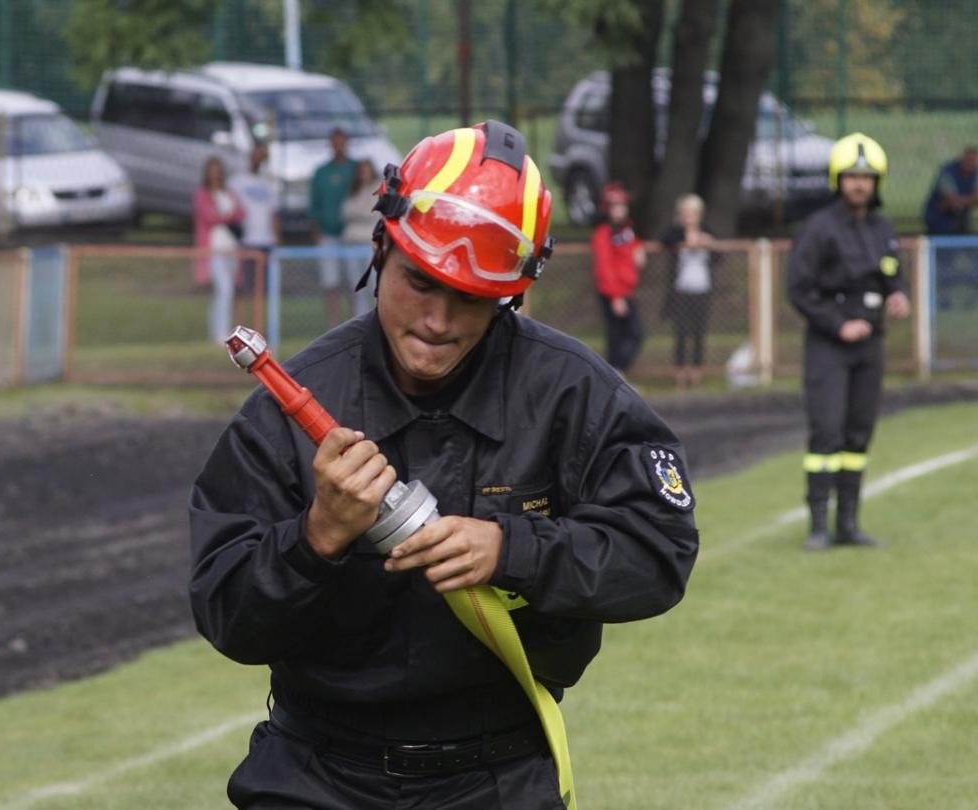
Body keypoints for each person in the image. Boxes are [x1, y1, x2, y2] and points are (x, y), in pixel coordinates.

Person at [191, 121, 698, 809]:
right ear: (380, 249)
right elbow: (227, 616)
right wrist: (316, 538)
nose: (438, 320)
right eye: (421, 283)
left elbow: (659, 554)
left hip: (499, 778)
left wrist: (514, 549)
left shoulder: (574, 394)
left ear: (511, 295)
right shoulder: (288, 409)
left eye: (471, 297)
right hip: (313, 777)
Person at [789, 133, 911, 551]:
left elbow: (893, 272)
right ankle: (818, 525)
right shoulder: (818, 228)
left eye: (867, 177)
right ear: (837, 179)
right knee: (827, 432)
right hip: (829, 345)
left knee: (859, 433)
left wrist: (898, 294)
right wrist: (838, 325)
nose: (859, 184)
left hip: (871, 345)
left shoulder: (882, 227)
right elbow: (799, 289)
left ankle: (849, 524)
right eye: (852, 176)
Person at [658, 194, 718, 390]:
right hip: (681, 290)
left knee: (699, 331)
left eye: (693, 213)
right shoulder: (675, 232)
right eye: (686, 213)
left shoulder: (706, 232)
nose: (689, 217)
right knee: (681, 331)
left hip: (702, 289)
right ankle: (680, 374)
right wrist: (685, 240)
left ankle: (697, 372)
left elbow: (719, 255)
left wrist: (708, 243)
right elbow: (664, 240)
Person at [591, 182, 645, 373]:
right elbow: (604, 267)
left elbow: (629, 245)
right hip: (613, 293)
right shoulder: (603, 234)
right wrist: (616, 297)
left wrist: (638, 247)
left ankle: (616, 373)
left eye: (623, 206)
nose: (621, 211)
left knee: (627, 334)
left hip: (626, 291)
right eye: (616, 206)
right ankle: (615, 372)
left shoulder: (626, 232)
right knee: (626, 334)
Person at [228, 142, 282, 332]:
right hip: (245, 242)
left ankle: (259, 327)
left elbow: (274, 214)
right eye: (256, 154)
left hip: (266, 243)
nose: (258, 158)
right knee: (241, 287)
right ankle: (237, 328)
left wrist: (277, 240)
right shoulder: (237, 181)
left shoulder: (270, 183)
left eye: (262, 155)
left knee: (262, 290)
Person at [310, 128, 360, 326]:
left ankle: (356, 322)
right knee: (331, 283)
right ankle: (333, 324)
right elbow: (314, 205)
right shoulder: (321, 173)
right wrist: (317, 232)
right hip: (328, 235)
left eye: (342, 141)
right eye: (335, 141)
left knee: (355, 283)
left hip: (352, 236)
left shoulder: (355, 169)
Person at [194, 157, 247, 342]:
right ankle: (219, 335)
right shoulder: (202, 193)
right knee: (223, 290)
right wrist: (227, 216)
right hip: (214, 250)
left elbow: (241, 212)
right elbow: (209, 216)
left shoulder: (228, 192)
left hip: (231, 248)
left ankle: (222, 331)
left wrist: (224, 215)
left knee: (226, 291)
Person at [337, 160, 380, 318]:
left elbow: (371, 211)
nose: (363, 174)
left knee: (374, 285)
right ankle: (359, 319)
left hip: (370, 245)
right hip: (351, 244)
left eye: (366, 170)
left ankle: (377, 318)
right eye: (361, 170)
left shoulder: (378, 188)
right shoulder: (352, 191)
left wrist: (358, 212)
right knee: (356, 286)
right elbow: (345, 212)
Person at [923, 146, 978, 236]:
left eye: (974, 161)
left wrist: (961, 200)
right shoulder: (948, 171)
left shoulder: (976, 172)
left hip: (961, 218)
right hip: (939, 217)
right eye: (969, 160)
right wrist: (972, 199)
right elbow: (951, 200)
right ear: (962, 159)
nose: (971, 164)